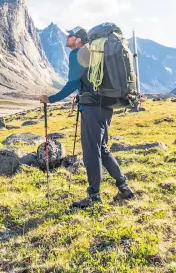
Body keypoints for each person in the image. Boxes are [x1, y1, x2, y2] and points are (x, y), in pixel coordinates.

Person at [40, 26, 134, 207]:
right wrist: (81, 94)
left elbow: (73, 82)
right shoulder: (93, 54)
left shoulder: (77, 54)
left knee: (91, 152)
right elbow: (88, 81)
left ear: (79, 40)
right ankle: (124, 188)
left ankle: (94, 197)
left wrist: (51, 99)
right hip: (105, 105)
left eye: (71, 36)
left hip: (92, 108)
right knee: (102, 149)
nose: (67, 37)